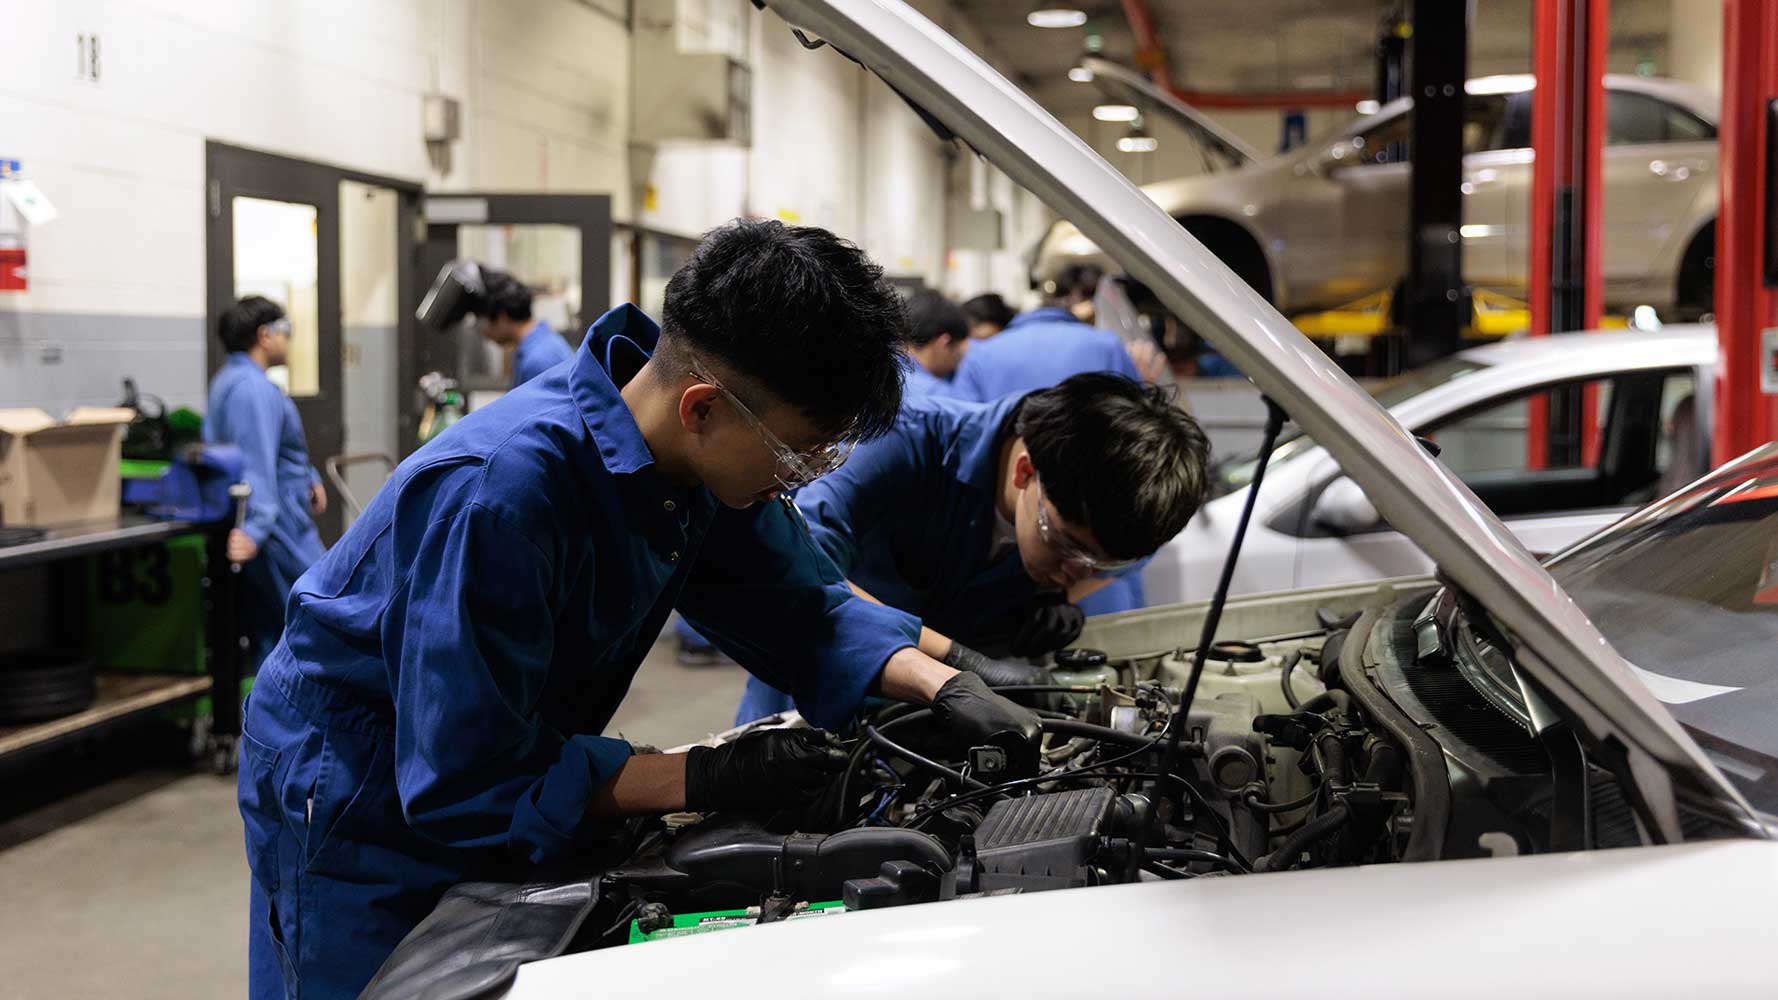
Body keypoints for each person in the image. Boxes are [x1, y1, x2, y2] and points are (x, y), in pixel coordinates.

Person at [236, 219, 1039, 1000]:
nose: (804, 480)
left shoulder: (695, 461)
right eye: (800, 455)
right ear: (701, 408)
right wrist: (700, 773)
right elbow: (463, 780)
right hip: (356, 782)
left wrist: (948, 680)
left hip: (487, 743)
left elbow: (800, 605)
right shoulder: (505, 493)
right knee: (392, 981)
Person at [734, 373, 1210, 724]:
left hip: (939, 722)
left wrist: (1048, 605)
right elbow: (800, 577)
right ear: (1026, 472)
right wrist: (961, 660)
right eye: (1065, 546)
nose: (1075, 571)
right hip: (808, 704)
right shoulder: (900, 444)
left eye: (1098, 564)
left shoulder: (1098, 519)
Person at [945, 264, 1152, 615]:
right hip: (1097, 569)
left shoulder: (983, 354)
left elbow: (962, 440)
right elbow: (1139, 442)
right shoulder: (1106, 345)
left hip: (1015, 553)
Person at [203, 296, 326, 669]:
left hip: (282, 514)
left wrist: (309, 476)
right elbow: (255, 466)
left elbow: (276, 450)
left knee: (275, 632)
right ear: (265, 335)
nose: (290, 340)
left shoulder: (235, 380)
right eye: (286, 330)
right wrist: (255, 530)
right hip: (278, 527)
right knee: (320, 616)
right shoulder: (251, 391)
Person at [476, 269, 574, 388]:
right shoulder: (542, 343)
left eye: (483, 321)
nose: (483, 331)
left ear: (503, 317)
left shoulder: (538, 360)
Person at [902, 289, 971, 399]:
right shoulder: (939, 397)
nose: (955, 365)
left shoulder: (880, 377)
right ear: (944, 343)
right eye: (957, 355)